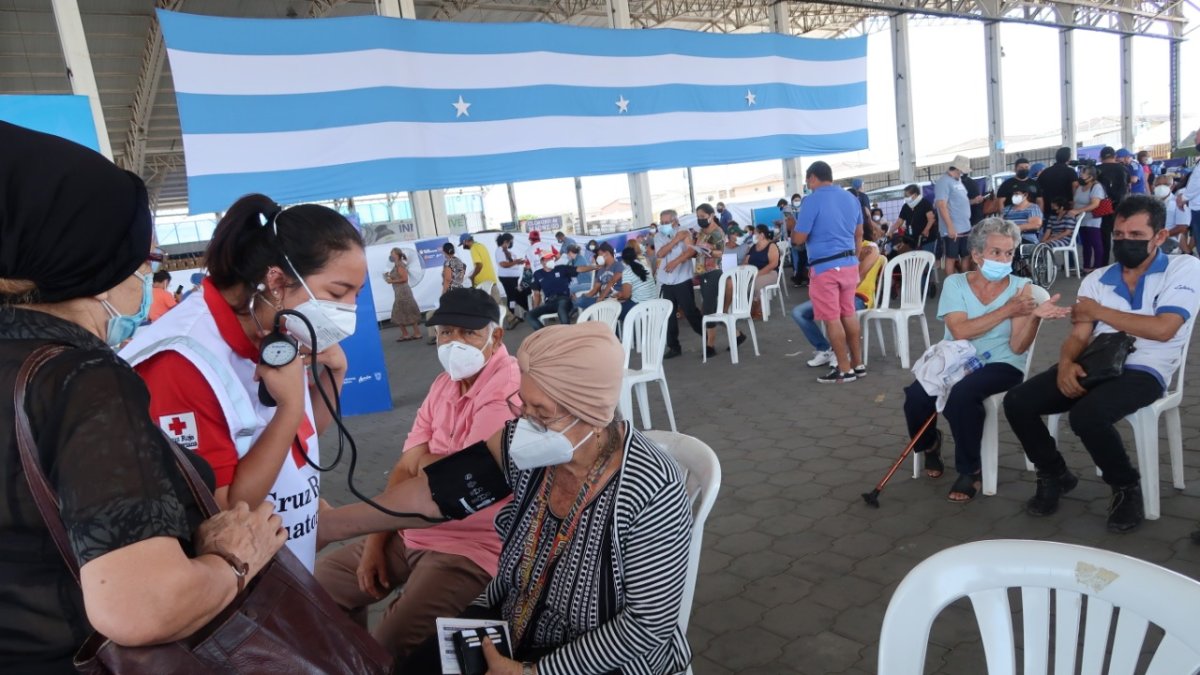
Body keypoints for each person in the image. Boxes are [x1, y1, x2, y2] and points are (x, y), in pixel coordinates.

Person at [0, 122, 285, 671]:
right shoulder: (81, 379)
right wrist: (234, 560)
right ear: (96, 264)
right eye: (145, 261)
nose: (148, 279)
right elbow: (142, 607)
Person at [318, 322, 694, 675]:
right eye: (522, 405)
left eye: (541, 412)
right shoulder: (524, 444)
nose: (524, 421)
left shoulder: (650, 486)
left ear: (592, 414)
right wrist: (332, 526)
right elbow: (436, 495)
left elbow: (648, 626)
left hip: (601, 659)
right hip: (516, 624)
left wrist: (534, 672)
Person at [123, 193, 366, 572]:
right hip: (239, 581)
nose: (349, 309)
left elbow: (302, 438)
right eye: (337, 293)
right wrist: (289, 408)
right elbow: (223, 512)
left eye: (356, 295)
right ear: (277, 280)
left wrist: (335, 373)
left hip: (289, 565)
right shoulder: (181, 361)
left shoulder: (278, 326)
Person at [315, 289, 512, 662]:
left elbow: (454, 485)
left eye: (468, 333)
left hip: (472, 545)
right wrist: (374, 545)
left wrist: (424, 462)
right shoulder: (443, 385)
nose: (453, 343)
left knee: (389, 643)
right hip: (410, 530)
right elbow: (406, 468)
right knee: (319, 588)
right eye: (445, 332)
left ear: (496, 336)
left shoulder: (507, 391)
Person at [1004, 196, 1200, 533]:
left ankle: (1125, 486)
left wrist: (1098, 312)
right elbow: (1080, 335)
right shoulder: (1097, 279)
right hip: (1096, 362)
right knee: (1018, 401)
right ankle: (1054, 473)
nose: (1125, 241)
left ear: (1159, 236)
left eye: (1136, 235)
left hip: (1146, 370)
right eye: (1119, 234)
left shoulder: (1183, 268)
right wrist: (1066, 363)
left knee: (1087, 415)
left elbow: (1164, 329)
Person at [904, 218, 1070, 501]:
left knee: (962, 395)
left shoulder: (1021, 288)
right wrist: (1007, 310)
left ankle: (970, 469)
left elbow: (1017, 347)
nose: (1004, 260)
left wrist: (1033, 318)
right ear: (977, 255)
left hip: (1002, 363)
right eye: (996, 252)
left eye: (1009, 253)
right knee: (916, 397)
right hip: (956, 358)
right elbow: (960, 331)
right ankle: (930, 445)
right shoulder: (955, 283)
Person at [793, 161, 865, 384]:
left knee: (832, 319)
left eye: (808, 180)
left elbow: (799, 238)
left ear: (813, 177)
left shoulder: (811, 200)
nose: (808, 185)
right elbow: (859, 233)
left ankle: (844, 369)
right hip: (849, 263)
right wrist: (854, 258)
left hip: (825, 267)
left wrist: (793, 229)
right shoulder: (851, 198)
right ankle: (858, 364)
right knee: (849, 313)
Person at [793, 239, 883, 368]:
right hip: (833, 294)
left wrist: (852, 258)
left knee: (835, 310)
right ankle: (825, 349)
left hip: (858, 296)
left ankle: (841, 353)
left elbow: (858, 277)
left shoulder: (870, 247)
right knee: (798, 312)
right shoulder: (837, 249)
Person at [695, 203, 742, 357]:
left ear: (711, 215)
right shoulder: (702, 230)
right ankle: (737, 335)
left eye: (702, 216)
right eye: (698, 216)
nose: (700, 219)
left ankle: (710, 345)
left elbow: (720, 253)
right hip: (703, 272)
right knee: (713, 309)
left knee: (708, 310)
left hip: (713, 272)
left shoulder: (717, 232)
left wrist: (707, 251)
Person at [654, 209, 703, 359]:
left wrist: (676, 261)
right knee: (669, 314)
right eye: (662, 222)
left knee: (690, 311)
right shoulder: (658, 236)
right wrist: (675, 240)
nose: (663, 225)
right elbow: (660, 253)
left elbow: (690, 252)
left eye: (667, 222)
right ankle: (673, 346)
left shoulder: (684, 232)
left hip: (682, 278)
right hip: (666, 280)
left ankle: (708, 336)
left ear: (675, 221)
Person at [935, 155, 975, 277]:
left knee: (966, 255)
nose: (962, 173)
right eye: (961, 171)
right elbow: (941, 205)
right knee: (951, 257)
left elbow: (961, 201)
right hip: (953, 229)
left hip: (965, 226)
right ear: (957, 169)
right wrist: (950, 227)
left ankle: (965, 283)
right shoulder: (943, 182)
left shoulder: (958, 181)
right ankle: (950, 285)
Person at [527, 251, 579, 330]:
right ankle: (545, 334)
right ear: (542, 261)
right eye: (547, 259)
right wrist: (535, 309)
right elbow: (536, 294)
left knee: (561, 309)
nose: (550, 260)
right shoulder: (537, 274)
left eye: (551, 258)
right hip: (549, 303)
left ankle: (567, 332)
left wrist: (593, 267)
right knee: (529, 315)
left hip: (563, 299)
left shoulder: (561, 268)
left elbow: (578, 271)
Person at [1069, 164, 1106, 273]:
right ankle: (1086, 266)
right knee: (1085, 244)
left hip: (1092, 219)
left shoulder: (1096, 187)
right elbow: (1075, 200)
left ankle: (1097, 267)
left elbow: (1095, 204)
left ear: (1091, 177)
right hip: (1081, 220)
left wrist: (1078, 211)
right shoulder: (1080, 187)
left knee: (1095, 243)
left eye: (1083, 175)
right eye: (1080, 174)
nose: (1080, 176)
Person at [1097, 147, 1130, 266]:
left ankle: (1104, 264)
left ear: (1101, 157)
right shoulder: (1123, 169)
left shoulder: (1097, 170)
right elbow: (1128, 186)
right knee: (1120, 234)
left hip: (1103, 206)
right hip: (1121, 206)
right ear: (1114, 156)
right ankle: (1119, 262)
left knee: (1104, 237)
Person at [742, 224, 781, 318]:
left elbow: (773, 264)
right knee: (741, 283)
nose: (753, 235)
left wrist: (758, 274)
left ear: (762, 235)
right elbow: (746, 261)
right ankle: (745, 307)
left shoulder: (771, 246)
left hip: (770, 273)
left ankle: (756, 307)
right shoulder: (753, 247)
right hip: (754, 273)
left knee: (755, 284)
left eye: (755, 233)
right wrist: (742, 270)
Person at [575, 242, 624, 312]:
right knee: (580, 301)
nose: (598, 257)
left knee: (588, 303)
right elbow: (595, 289)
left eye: (600, 254)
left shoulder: (618, 265)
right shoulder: (601, 269)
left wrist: (601, 297)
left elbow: (612, 282)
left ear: (607, 253)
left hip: (615, 299)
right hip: (603, 300)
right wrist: (584, 296)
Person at [385, 248, 421, 341]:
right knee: (407, 311)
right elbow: (399, 276)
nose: (391, 255)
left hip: (402, 292)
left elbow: (405, 279)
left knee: (399, 312)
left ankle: (408, 334)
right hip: (400, 291)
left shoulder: (400, 265)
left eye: (392, 253)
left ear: (397, 255)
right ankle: (413, 333)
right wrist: (389, 276)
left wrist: (391, 281)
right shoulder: (397, 265)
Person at [892, 184, 936, 256]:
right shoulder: (906, 206)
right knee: (915, 260)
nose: (905, 197)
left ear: (914, 195)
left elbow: (931, 219)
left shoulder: (925, 203)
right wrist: (890, 231)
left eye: (907, 195)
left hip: (926, 239)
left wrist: (925, 231)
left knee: (927, 258)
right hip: (912, 240)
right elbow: (899, 221)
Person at [495, 233, 528, 328]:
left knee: (515, 296)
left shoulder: (506, 251)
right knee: (512, 297)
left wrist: (518, 262)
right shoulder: (500, 251)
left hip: (512, 277)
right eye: (511, 242)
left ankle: (514, 316)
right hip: (507, 278)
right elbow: (503, 264)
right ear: (506, 241)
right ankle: (512, 317)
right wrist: (516, 262)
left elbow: (511, 262)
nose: (511, 243)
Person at [618, 247, 658, 321]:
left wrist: (619, 295)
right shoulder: (646, 267)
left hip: (639, 307)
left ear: (624, 260)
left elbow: (626, 295)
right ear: (635, 256)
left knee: (614, 311)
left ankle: (624, 328)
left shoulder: (627, 272)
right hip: (654, 304)